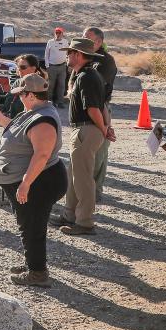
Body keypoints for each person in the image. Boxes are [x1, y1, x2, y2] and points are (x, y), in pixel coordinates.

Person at [0, 73, 68, 286]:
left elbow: (42, 155)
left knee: (33, 226)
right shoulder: (34, 111)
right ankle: (32, 263)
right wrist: (0, 118)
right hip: (35, 180)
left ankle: (37, 273)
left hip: (40, 181)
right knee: (27, 224)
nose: (19, 98)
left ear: (31, 95)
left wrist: (25, 182)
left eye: (22, 94)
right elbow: (20, 133)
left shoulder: (43, 120)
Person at [50, 38, 107, 236]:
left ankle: (85, 222)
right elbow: (102, 105)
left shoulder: (86, 77)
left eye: (70, 52)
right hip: (86, 129)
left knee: (83, 178)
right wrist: (105, 127)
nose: (67, 56)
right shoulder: (85, 74)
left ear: (78, 55)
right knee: (74, 175)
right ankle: (70, 215)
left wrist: (104, 129)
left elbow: (93, 108)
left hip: (87, 129)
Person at [84, 27, 118, 204]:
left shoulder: (106, 61)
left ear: (98, 41)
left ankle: (95, 191)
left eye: (87, 38)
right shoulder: (87, 58)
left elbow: (99, 89)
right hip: (87, 108)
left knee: (99, 152)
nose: (84, 40)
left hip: (100, 107)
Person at [3, 54, 46, 119]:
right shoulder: (17, 82)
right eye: (18, 67)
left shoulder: (40, 85)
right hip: (14, 121)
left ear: (33, 68)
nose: (19, 70)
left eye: (23, 67)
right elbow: (9, 100)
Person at [45, 27, 69, 108]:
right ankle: (49, 101)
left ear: (62, 34)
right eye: (56, 33)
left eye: (59, 33)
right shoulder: (50, 42)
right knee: (51, 85)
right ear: (54, 33)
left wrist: (67, 63)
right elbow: (46, 54)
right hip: (52, 67)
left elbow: (68, 53)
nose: (58, 34)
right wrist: (47, 66)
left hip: (62, 66)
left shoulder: (65, 42)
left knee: (61, 85)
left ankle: (60, 102)